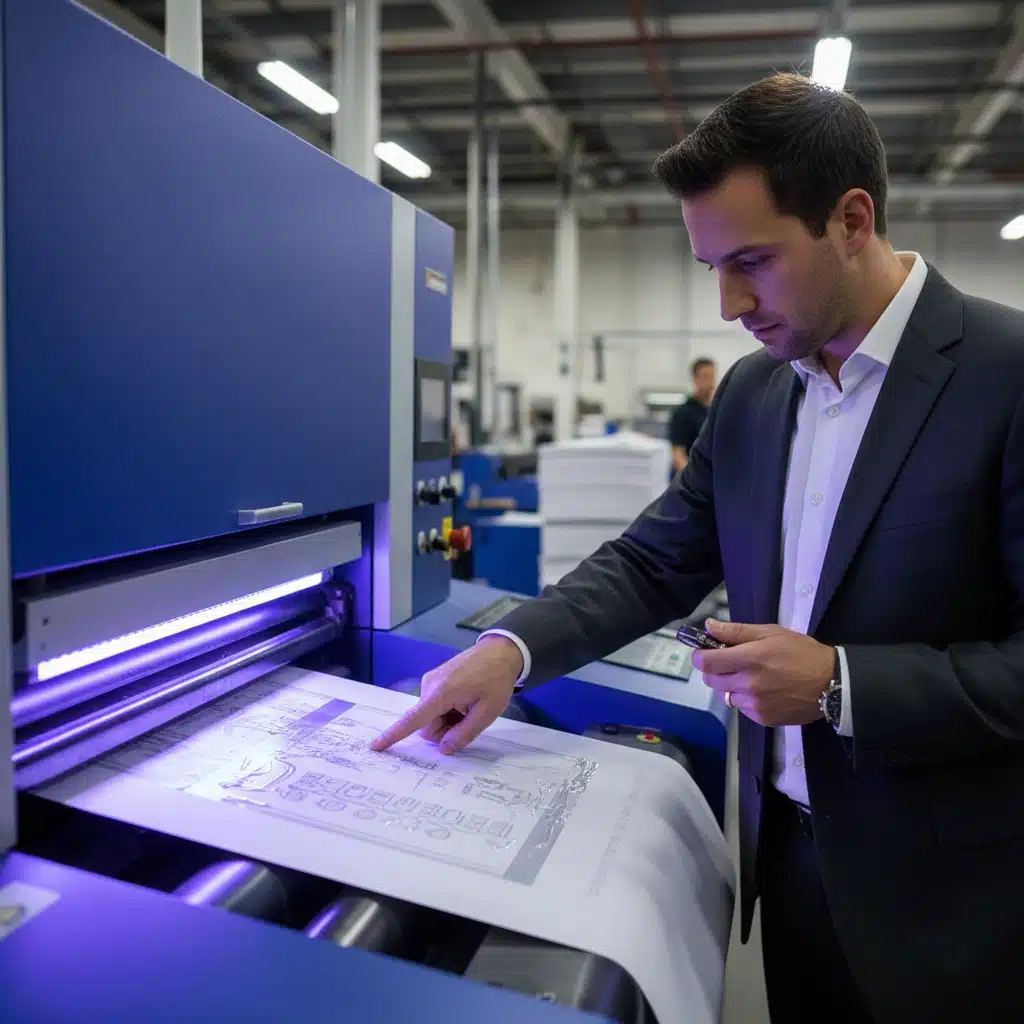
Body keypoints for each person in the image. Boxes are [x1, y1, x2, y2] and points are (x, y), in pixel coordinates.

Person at [373, 72, 1024, 1023]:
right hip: (791, 871)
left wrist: (844, 684)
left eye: (752, 261)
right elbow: (652, 562)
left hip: (957, 911)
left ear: (851, 219)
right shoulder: (758, 396)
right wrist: (508, 652)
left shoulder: (1004, 380)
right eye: (710, 267)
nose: (727, 305)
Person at [668, 356, 717, 471]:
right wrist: (689, 482)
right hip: (694, 479)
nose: (710, 382)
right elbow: (678, 453)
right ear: (695, 379)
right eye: (705, 377)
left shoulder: (716, 412)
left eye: (712, 376)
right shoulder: (683, 413)